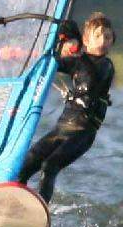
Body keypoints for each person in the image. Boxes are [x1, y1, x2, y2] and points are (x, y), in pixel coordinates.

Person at [18, 11, 115, 202]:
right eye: (98, 36)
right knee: (25, 165)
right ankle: (12, 202)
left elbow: (91, 78)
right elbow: (51, 63)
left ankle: (41, 207)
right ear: (87, 40)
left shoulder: (106, 66)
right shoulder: (79, 62)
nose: (103, 40)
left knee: (49, 166)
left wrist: (76, 44)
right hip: (62, 128)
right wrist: (54, 45)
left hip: (83, 132)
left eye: (108, 37)